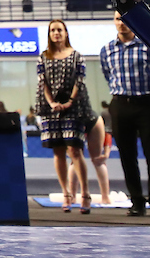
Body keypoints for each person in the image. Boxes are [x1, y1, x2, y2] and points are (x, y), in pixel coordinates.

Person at [101, 10, 150, 217]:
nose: (122, 23)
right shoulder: (107, 50)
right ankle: (137, 202)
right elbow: (108, 75)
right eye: (118, 19)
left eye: (125, 19)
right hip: (120, 105)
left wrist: (147, 94)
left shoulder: (148, 46)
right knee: (127, 156)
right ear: (114, 22)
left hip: (146, 104)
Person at [35, 20, 92, 213]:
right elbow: (42, 82)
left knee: (74, 150)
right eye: (52, 30)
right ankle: (66, 194)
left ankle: (85, 193)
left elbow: (80, 81)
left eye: (59, 29)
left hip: (74, 107)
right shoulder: (43, 57)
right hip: (50, 108)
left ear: (66, 33)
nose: (56, 33)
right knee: (58, 151)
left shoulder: (77, 56)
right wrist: (52, 103)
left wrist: (69, 102)